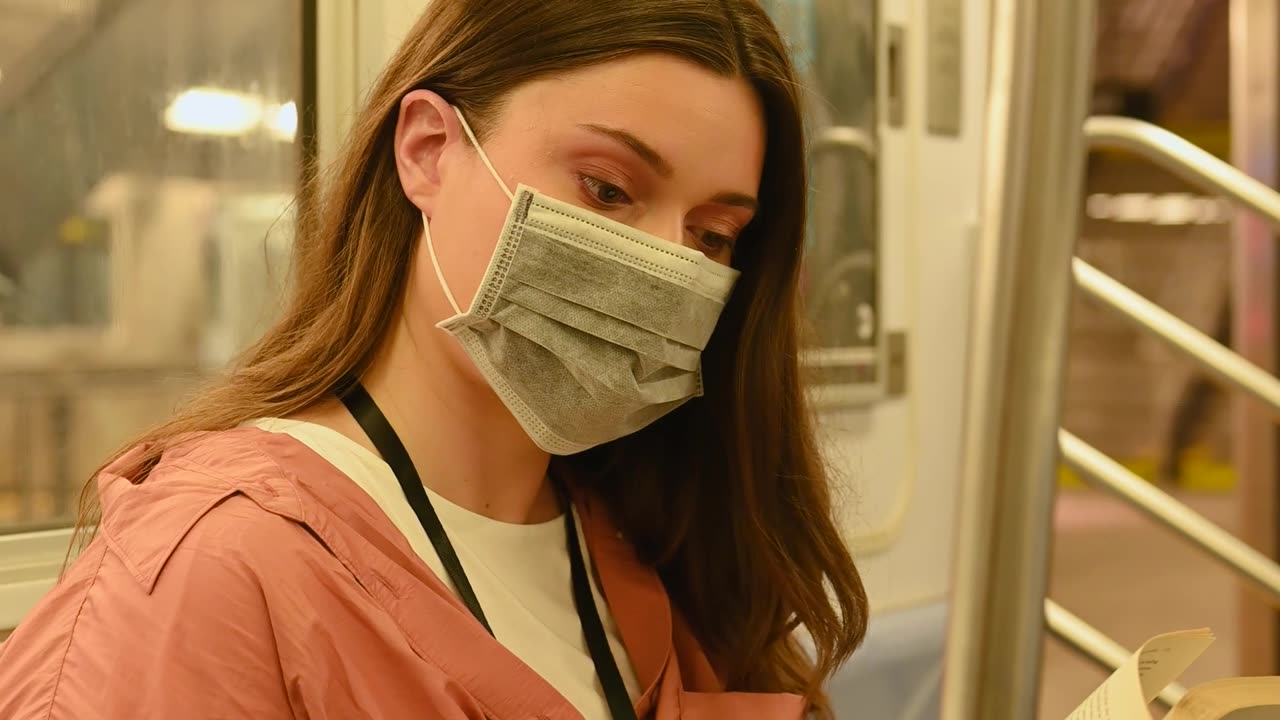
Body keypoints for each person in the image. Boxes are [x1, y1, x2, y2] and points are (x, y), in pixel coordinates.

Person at [0, 1, 868, 718]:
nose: (664, 265)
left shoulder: (643, 543)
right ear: (427, 151)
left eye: (712, 235)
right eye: (606, 189)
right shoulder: (214, 567)